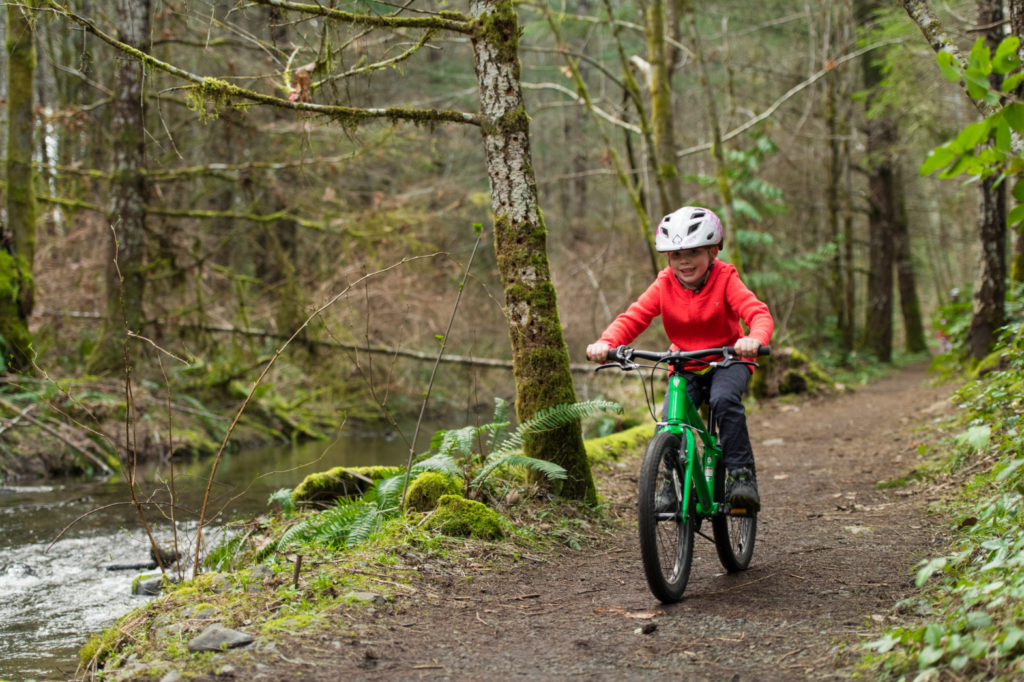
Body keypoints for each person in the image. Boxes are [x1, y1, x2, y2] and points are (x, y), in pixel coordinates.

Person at [586, 206, 774, 511]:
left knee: (724, 401)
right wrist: (606, 343)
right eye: (676, 255)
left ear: (713, 251)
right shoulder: (664, 284)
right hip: (684, 362)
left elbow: (757, 313)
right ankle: (670, 483)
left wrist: (755, 338)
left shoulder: (726, 278)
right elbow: (634, 317)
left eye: (693, 252)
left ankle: (741, 477)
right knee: (669, 420)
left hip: (728, 359)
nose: (684, 261)